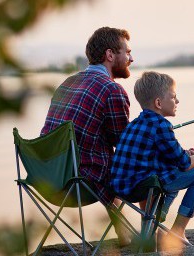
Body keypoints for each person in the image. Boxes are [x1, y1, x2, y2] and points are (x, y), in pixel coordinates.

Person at [40, 27, 134, 244]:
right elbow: (123, 145)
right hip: (79, 183)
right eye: (127, 52)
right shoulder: (112, 90)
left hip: (47, 177)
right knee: (135, 164)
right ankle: (147, 237)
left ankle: (124, 233)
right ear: (110, 55)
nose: (131, 58)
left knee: (107, 161)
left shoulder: (67, 83)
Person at [110, 71, 194, 249]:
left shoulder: (134, 124)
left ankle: (153, 229)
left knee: (170, 171)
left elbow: (160, 154)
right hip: (144, 187)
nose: (177, 102)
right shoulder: (161, 125)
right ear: (159, 103)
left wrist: (187, 153)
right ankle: (177, 231)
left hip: (122, 188)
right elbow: (184, 164)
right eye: (174, 97)